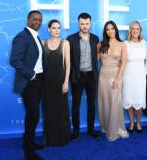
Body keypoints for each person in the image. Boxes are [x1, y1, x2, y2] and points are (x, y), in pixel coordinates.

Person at [9, 10, 45, 160]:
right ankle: (29, 153)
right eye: (34, 19)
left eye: (40, 20)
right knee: (33, 116)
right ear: (28, 19)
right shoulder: (22, 37)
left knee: (33, 115)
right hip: (30, 82)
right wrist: (30, 74)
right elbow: (14, 60)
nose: (37, 22)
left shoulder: (35, 36)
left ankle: (27, 142)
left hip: (40, 80)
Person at [67, 12, 99, 140]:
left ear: (90, 23)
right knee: (76, 104)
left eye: (87, 24)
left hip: (91, 76)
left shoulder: (95, 39)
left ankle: (91, 129)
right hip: (77, 76)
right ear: (78, 23)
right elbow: (68, 60)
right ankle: (76, 130)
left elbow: (96, 57)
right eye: (82, 24)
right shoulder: (71, 39)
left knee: (92, 104)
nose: (84, 26)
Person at [98, 20, 129, 141]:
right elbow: (92, 59)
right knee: (105, 102)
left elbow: (123, 63)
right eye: (107, 29)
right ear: (105, 32)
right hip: (103, 76)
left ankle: (116, 129)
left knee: (115, 103)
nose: (110, 31)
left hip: (116, 75)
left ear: (116, 30)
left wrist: (118, 79)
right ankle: (106, 127)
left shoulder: (122, 45)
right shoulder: (100, 45)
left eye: (112, 28)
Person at [42, 19, 70, 146]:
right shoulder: (43, 43)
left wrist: (66, 82)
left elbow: (68, 65)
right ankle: (49, 138)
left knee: (61, 110)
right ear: (49, 29)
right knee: (48, 109)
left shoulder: (65, 43)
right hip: (46, 81)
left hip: (60, 81)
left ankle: (61, 138)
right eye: (54, 28)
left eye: (58, 28)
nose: (57, 30)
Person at [122, 21, 147, 133]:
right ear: (130, 31)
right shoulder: (125, 44)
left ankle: (138, 122)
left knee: (139, 99)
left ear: (140, 30)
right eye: (133, 29)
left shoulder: (144, 43)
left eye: (137, 29)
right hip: (128, 75)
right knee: (129, 99)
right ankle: (131, 122)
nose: (135, 31)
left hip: (140, 76)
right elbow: (122, 61)